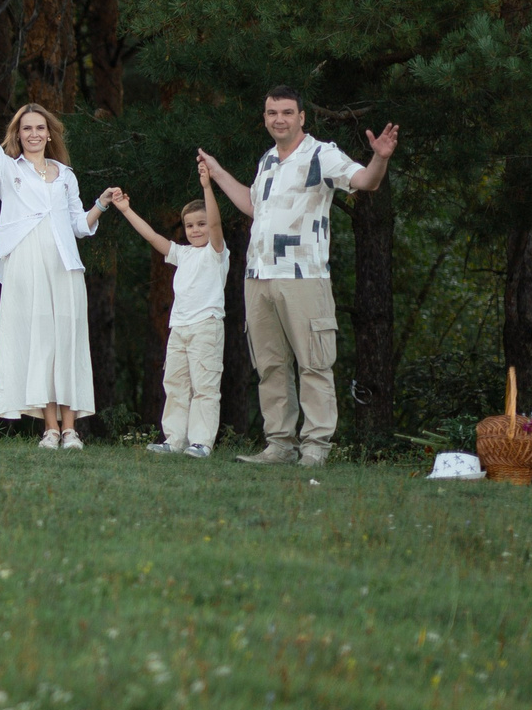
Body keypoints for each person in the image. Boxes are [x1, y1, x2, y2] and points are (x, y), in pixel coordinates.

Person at [200, 86, 399, 467]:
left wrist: (380, 158)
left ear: (302, 117)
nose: (279, 119)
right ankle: (279, 445)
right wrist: (219, 172)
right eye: (272, 113)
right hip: (258, 276)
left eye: (287, 112)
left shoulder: (321, 154)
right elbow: (253, 206)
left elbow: (365, 181)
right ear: (265, 118)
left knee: (314, 364)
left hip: (304, 276)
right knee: (270, 367)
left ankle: (315, 447)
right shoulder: (267, 160)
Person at [0, 52, 116, 448]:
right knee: (39, 342)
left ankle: (70, 429)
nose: (34, 134)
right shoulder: (8, 170)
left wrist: (101, 204)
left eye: (40, 128)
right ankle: (49, 428)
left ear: (49, 134)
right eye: (26, 129)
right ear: (18, 135)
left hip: (64, 268)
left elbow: (79, 226)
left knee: (66, 341)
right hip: (26, 267)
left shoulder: (66, 176)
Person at [108, 167, 229, 458]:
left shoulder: (216, 252)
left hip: (206, 325)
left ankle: (201, 442)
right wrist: (126, 210)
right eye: (190, 225)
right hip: (180, 328)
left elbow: (215, 225)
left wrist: (207, 187)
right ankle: (174, 440)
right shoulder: (182, 254)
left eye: (201, 224)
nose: (196, 230)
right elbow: (151, 236)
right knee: (174, 384)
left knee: (204, 386)